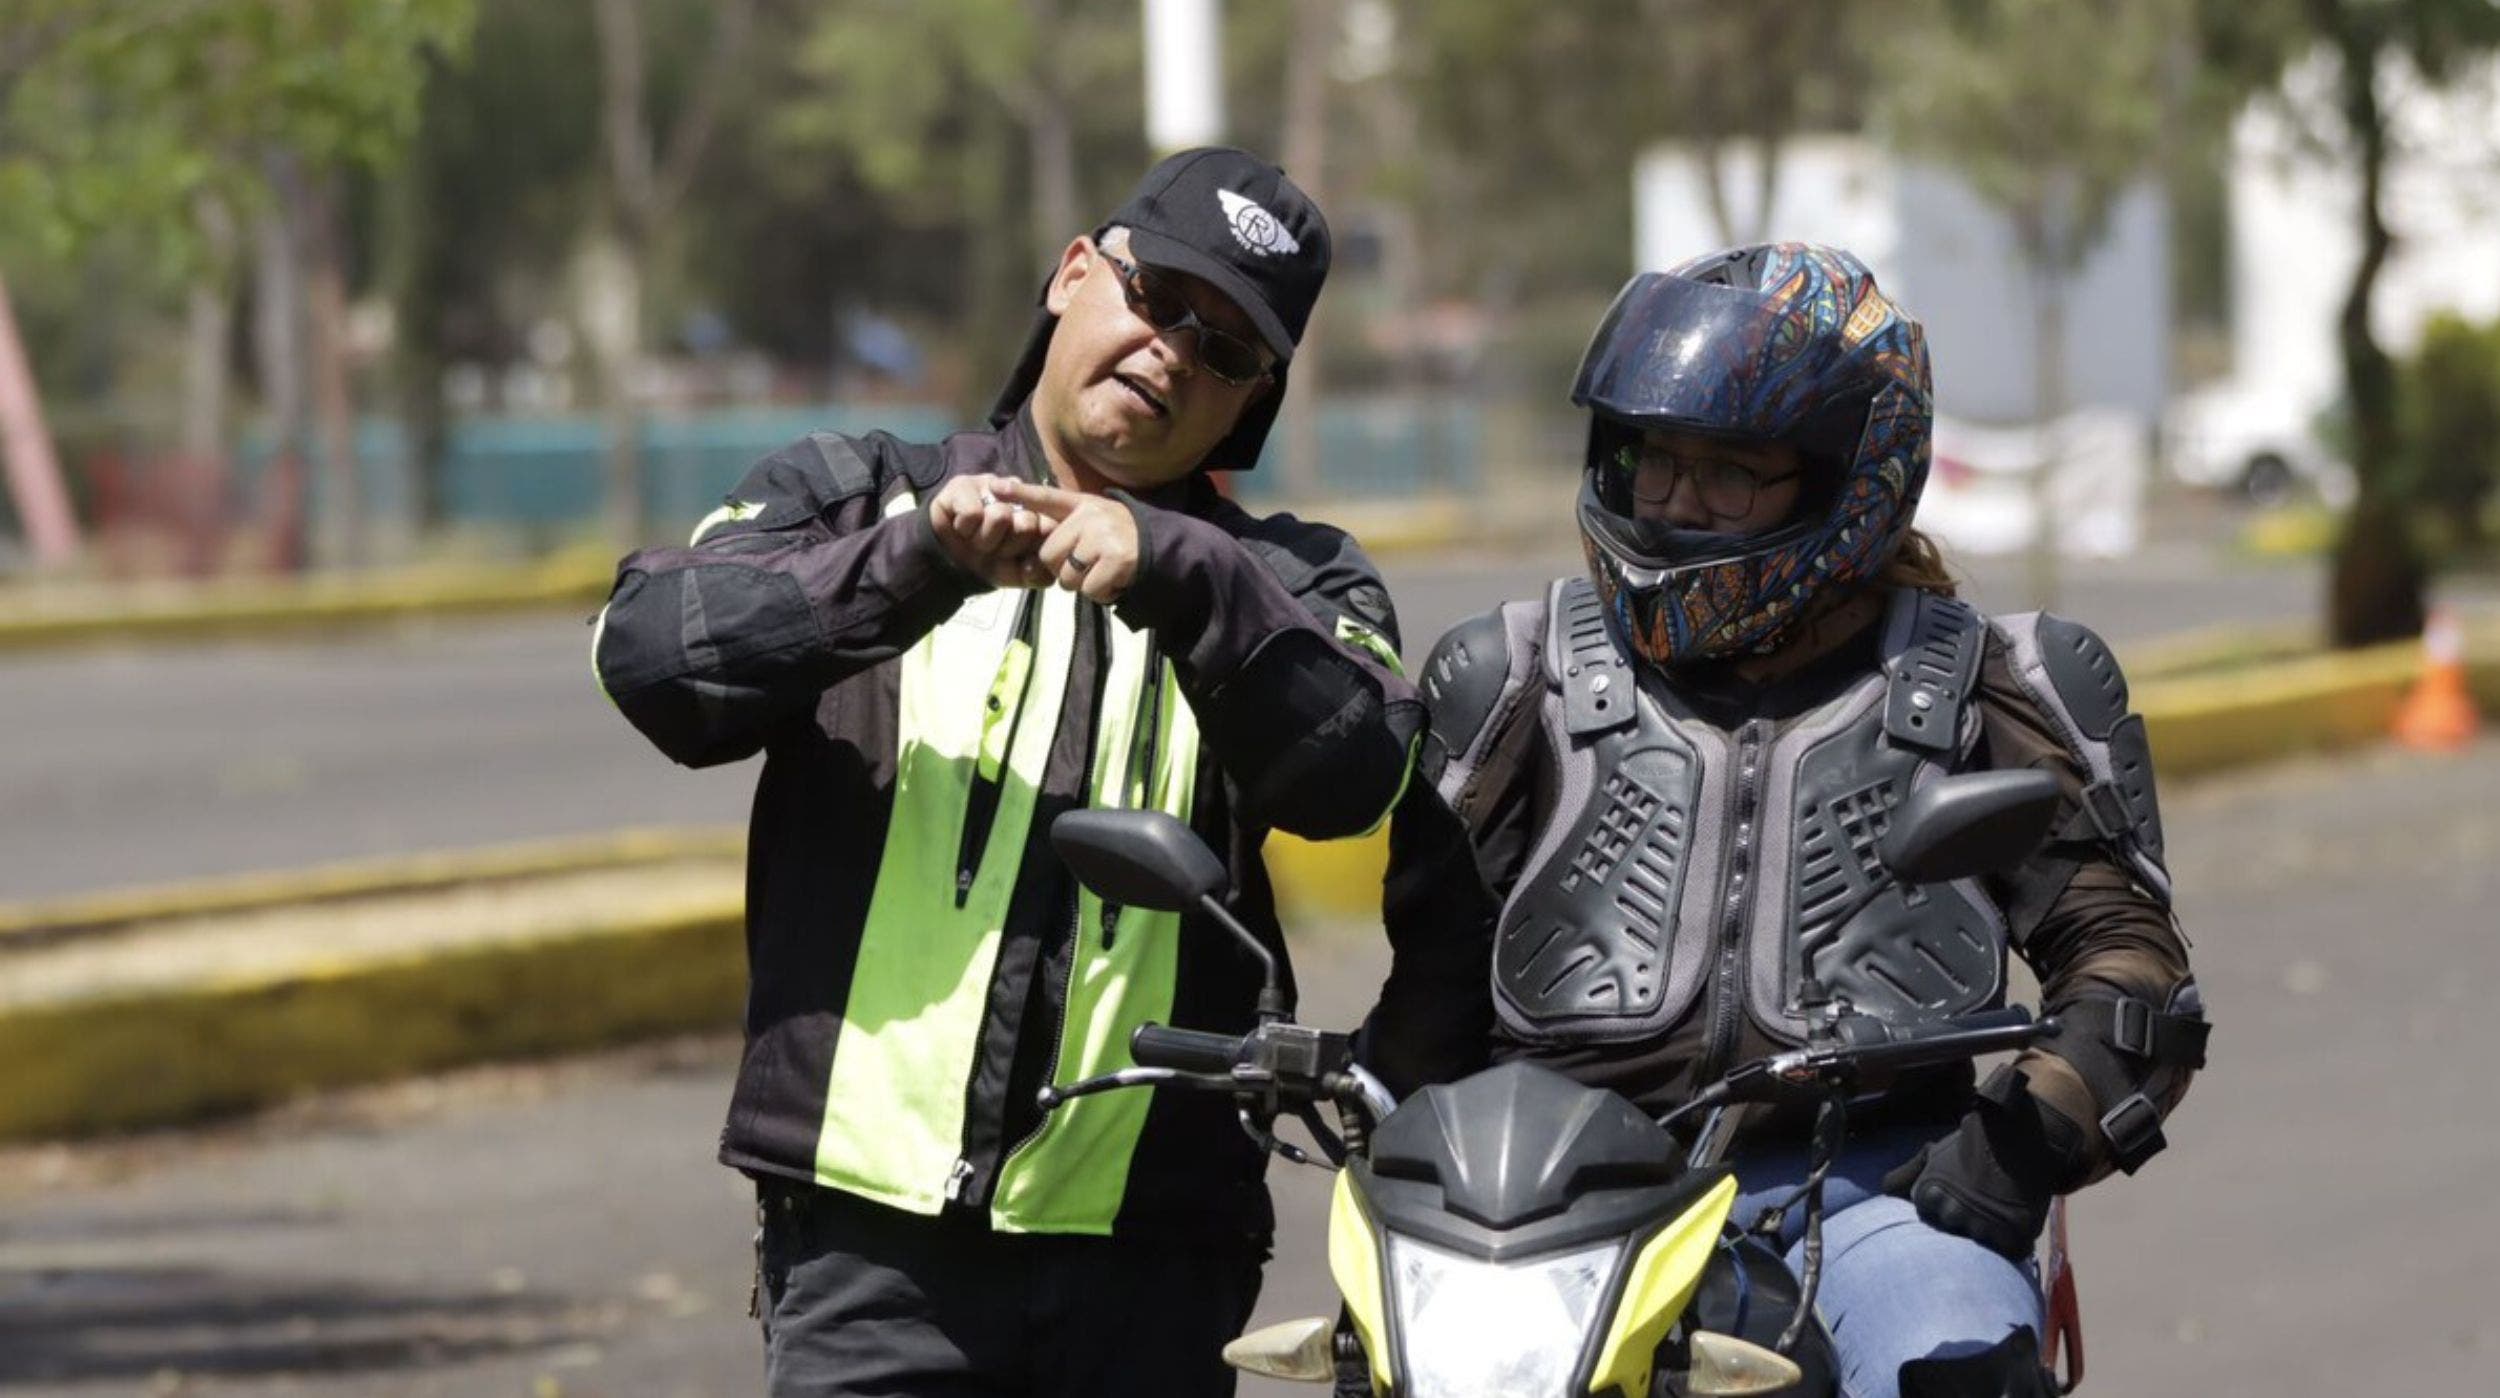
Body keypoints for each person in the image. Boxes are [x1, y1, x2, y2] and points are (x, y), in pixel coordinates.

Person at [592, 147, 1423, 1398]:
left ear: (1255, 399)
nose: (1172, 354)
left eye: (1225, 348)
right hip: (869, 1262)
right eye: (1158, 299)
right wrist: (914, 564)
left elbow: (1357, 773)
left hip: (1155, 1261)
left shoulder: (1290, 578)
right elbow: (652, 658)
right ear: (1074, 273)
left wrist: (1181, 571)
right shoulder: (854, 494)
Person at [1380, 243, 2208, 1398]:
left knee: (1955, 1366)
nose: (1675, 501)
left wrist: (2012, 1153)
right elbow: (1431, 993)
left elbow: (2131, 976)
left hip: (1866, 1189)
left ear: (1847, 481)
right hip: (1555, 1198)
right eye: (1652, 460)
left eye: (1729, 472)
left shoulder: (1987, 684)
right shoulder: (1516, 676)